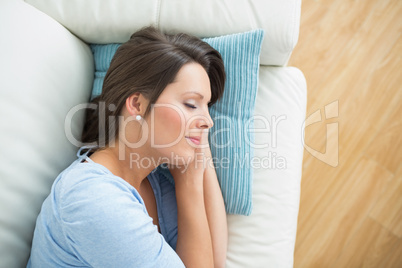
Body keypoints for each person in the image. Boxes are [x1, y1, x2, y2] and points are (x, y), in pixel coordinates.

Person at [27, 26, 227, 267]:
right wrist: (189, 182)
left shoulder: (155, 185)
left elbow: (215, 259)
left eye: (208, 106)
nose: (209, 121)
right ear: (137, 104)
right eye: (191, 104)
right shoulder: (94, 198)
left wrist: (191, 181)